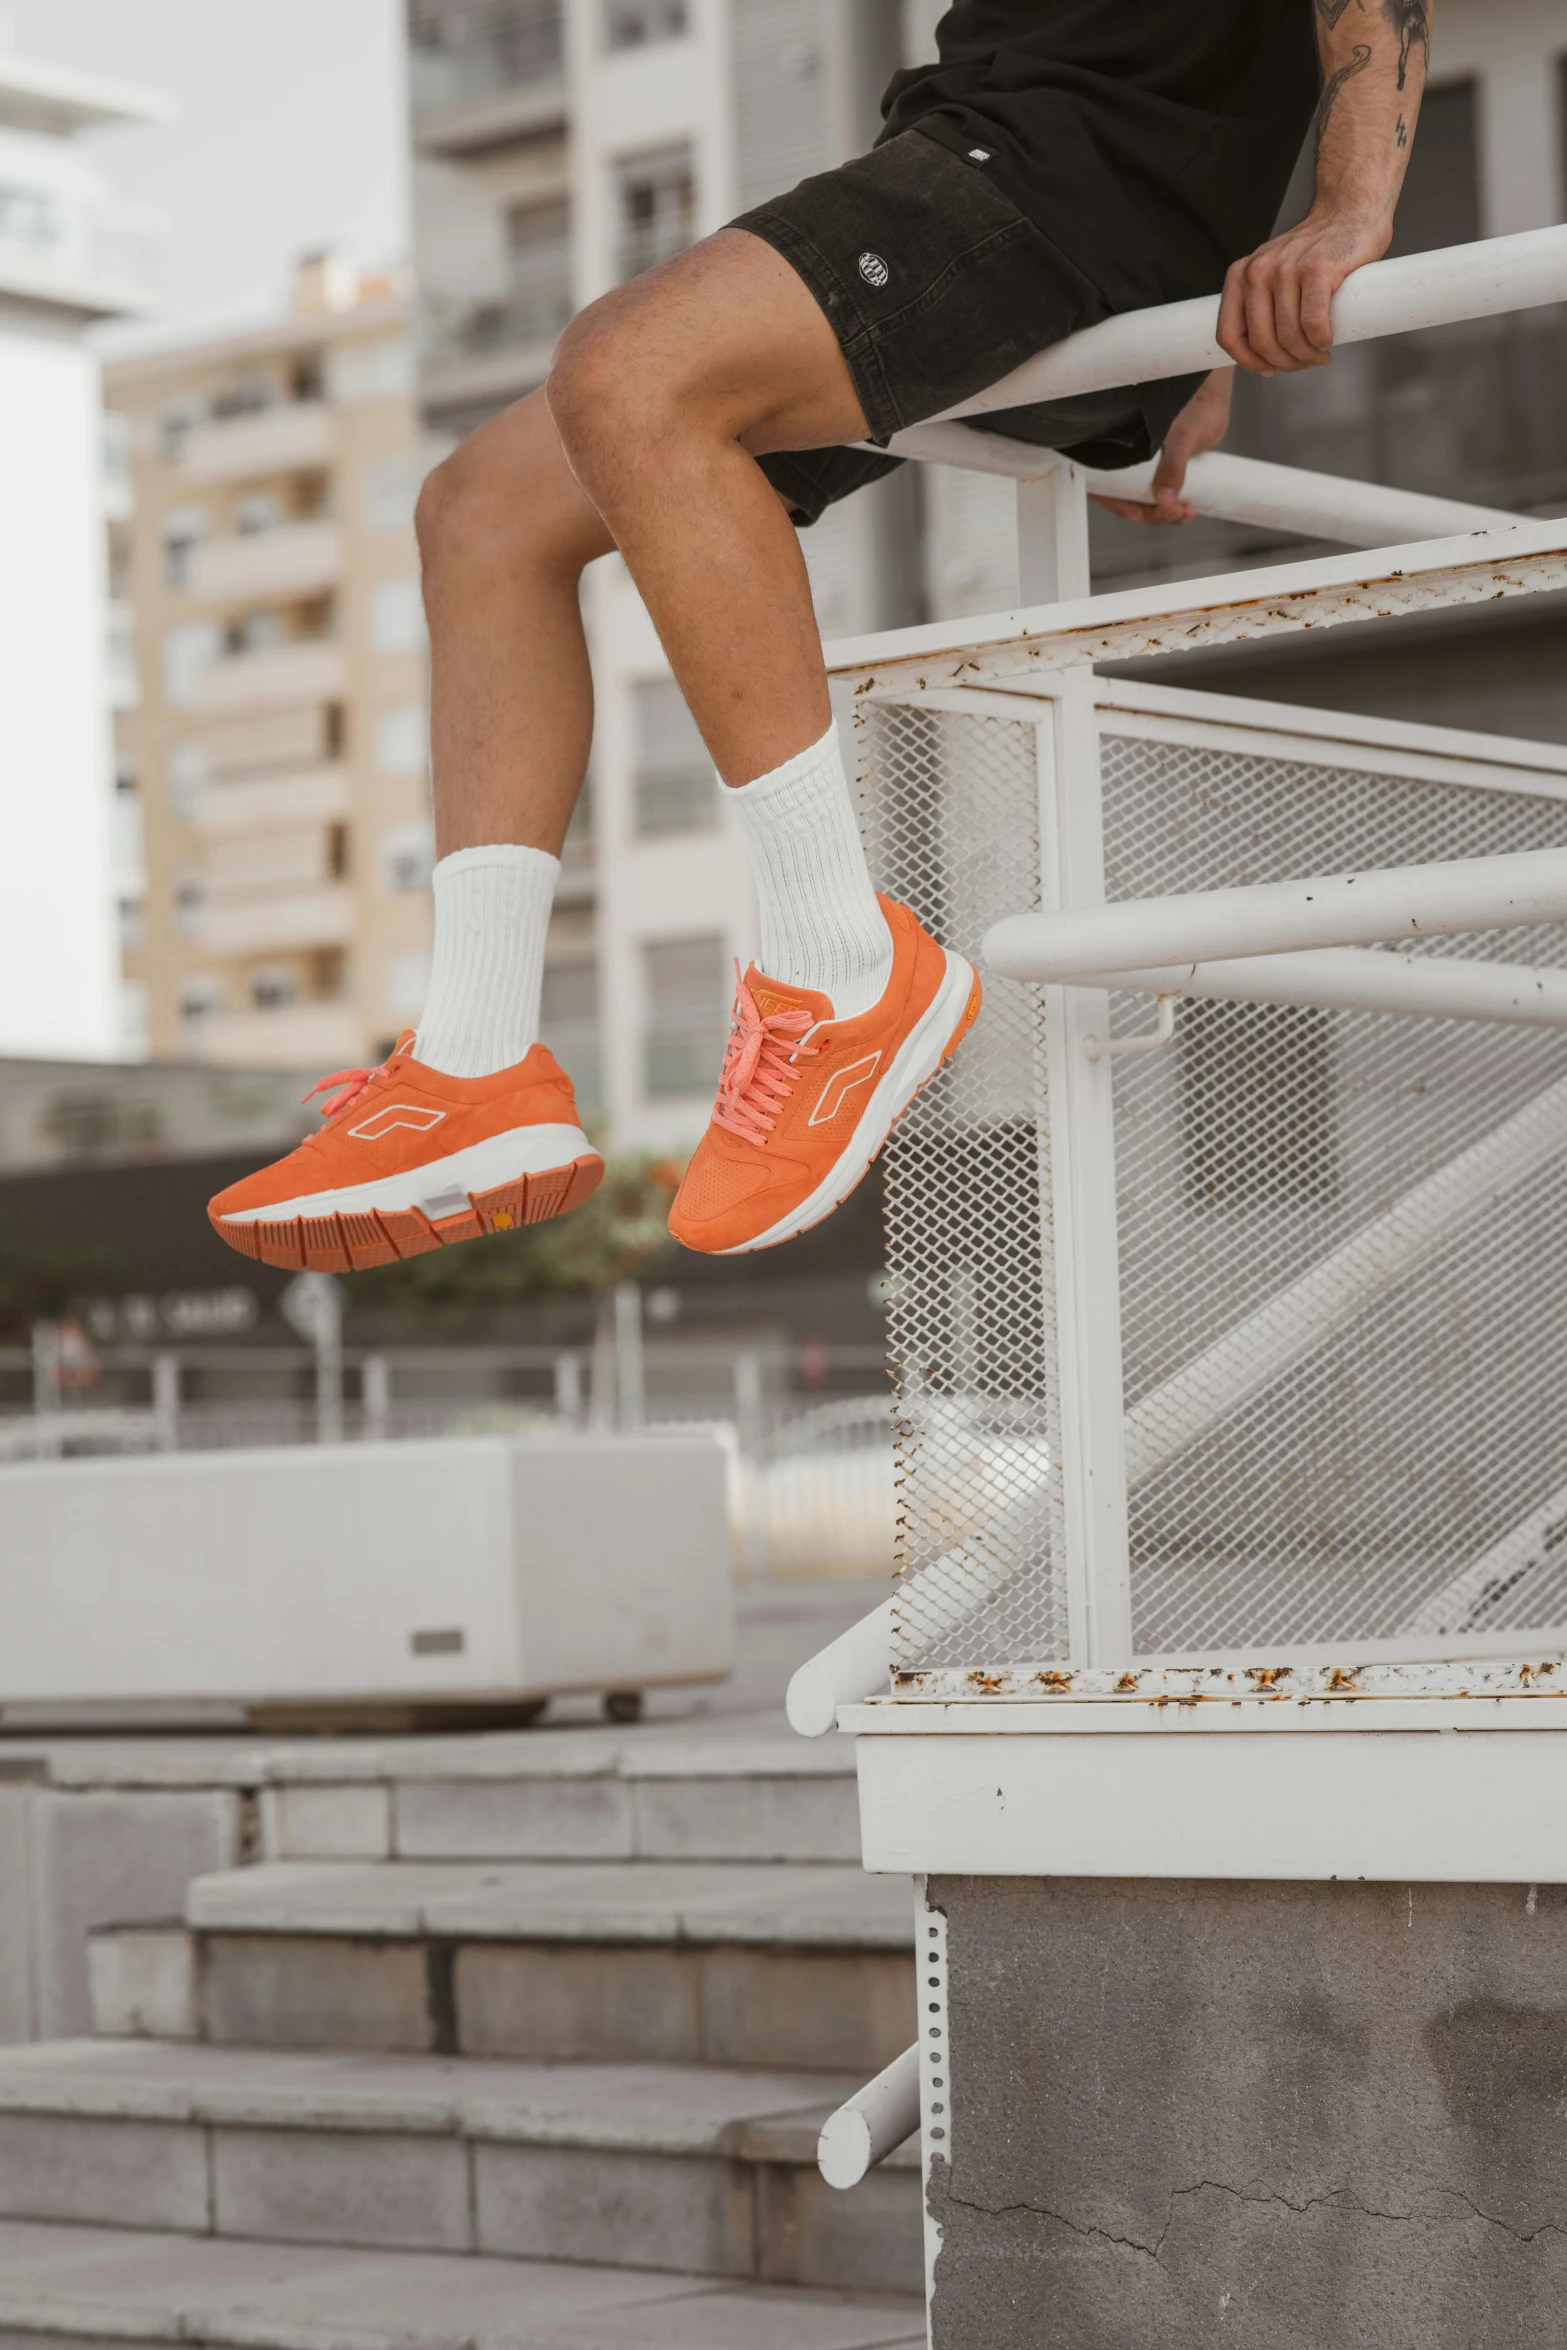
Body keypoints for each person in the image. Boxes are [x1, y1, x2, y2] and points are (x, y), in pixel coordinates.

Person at [210, 0, 1431, 1274]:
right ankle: (474, 1065)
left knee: (629, 372)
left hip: (1059, 187)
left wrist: (1345, 212)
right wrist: (1201, 323)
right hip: (981, 167)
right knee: (480, 512)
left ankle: (837, 965)